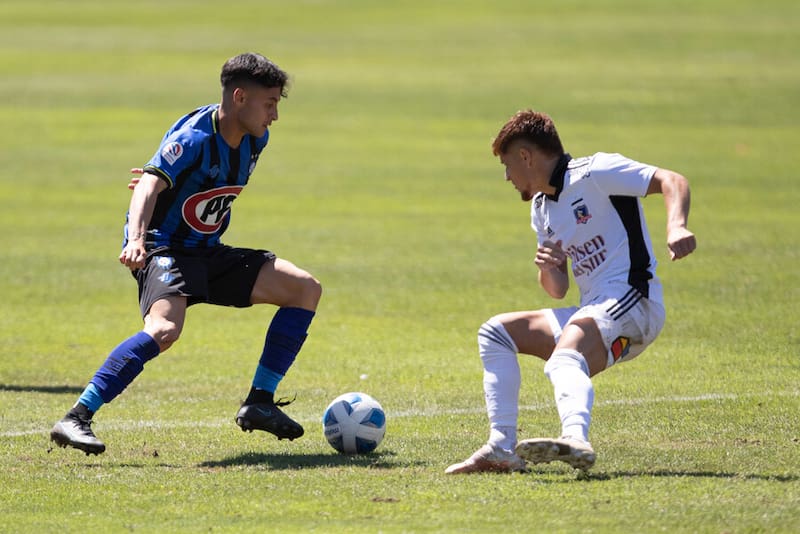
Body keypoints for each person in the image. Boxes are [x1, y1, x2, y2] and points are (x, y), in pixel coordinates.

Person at [50, 52, 322, 455]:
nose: (275, 115)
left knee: (304, 289)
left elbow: (185, 186)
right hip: (166, 249)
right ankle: (76, 417)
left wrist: (168, 183)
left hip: (207, 252)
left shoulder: (256, 139)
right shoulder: (194, 139)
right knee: (164, 331)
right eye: (271, 103)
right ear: (241, 98)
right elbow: (147, 186)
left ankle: (259, 402)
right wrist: (136, 239)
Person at [446, 110, 696, 474]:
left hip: (634, 301)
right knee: (495, 332)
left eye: (507, 165)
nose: (507, 177)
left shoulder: (596, 172)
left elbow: (672, 180)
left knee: (564, 357)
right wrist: (550, 267)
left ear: (526, 157)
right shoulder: (541, 208)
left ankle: (575, 438)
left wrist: (676, 227)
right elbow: (558, 291)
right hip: (594, 308)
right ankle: (501, 448)